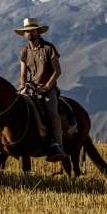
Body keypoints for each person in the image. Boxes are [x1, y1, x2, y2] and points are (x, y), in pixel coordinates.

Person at [15, 17, 68, 162]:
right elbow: (22, 74)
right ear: (24, 34)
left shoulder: (48, 48)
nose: (29, 33)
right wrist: (24, 84)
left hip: (48, 88)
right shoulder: (24, 52)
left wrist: (47, 86)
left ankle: (58, 145)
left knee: (52, 112)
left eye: (32, 31)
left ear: (38, 32)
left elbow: (57, 71)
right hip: (31, 87)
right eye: (27, 31)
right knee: (14, 104)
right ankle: (5, 141)